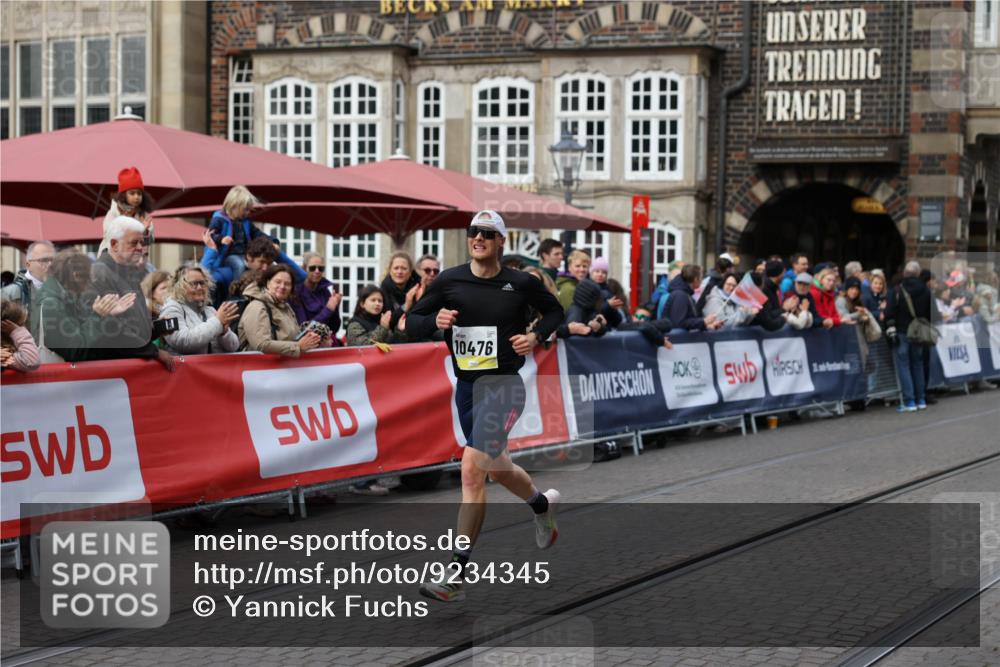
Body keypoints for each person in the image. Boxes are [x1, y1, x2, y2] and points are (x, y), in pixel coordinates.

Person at [406, 210, 564, 603]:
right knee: (498, 468)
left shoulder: (521, 283)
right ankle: (541, 506)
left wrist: (536, 335)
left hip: (506, 386)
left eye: (487, 233)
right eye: (473, 232)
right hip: (468, 388)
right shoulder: (449, 281)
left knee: (471, 471)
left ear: (500, 242)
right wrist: (434, 322)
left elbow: (557, 311)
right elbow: (412, 321)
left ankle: (455, 572)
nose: (478, 237)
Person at [90, 216, 174, 370]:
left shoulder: (128, 272)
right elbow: (111, 330)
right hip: (115, 371)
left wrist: (156, 328)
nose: (141, 248)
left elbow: (133, 325)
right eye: (134, 243)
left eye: (142, 242)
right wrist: (153, 351)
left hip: (131, 368)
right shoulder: (100, 273)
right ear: (114, 244)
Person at [36, 249, 137, 363]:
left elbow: (81, 333)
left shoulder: (65, 297)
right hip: (57, 378)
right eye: (88, 277)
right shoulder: (52, 303)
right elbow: (75, 350)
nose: (90, 282)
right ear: (76, 276)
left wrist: (106, 314)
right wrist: (97, 316)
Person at [239, 264, 323, 358]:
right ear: (268, 283)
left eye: (287, 284)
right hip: (258, 370)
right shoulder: (256, 306)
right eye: (278, 282)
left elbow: (292, 339)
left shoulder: (286, 308)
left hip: (281, 370)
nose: (282, 286)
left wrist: (310, 339)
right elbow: (260, 344)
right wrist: (298, 346)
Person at [159, 265, 240, 356]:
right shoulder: (171, 308)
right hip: (184, 368)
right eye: (194, 283)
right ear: (179, 286)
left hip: (212, 368)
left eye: (202, 283)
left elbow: (234, 346)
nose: (199, 287)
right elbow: (183, 342)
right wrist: (217, 322)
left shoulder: (210, 310)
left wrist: (224, 333)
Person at [885, 261, 932, 411]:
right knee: (918, 365)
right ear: (918, 274)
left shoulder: (897, 289)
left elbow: (889, 312)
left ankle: (909, 401)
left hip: (901, 331)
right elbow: (930, 313)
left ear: (905, 273)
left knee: (903, 366)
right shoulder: (925, 290)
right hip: (919, 332)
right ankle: (921, 399)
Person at [207, 185, 274, 280]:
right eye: (245, 209)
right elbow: (210, 234)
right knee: (239, 266)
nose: (248, 213)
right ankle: (237, 287)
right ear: (234, 205)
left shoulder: (245, 222)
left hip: (245, 254)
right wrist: (221, 239)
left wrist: (272, 240)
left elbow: (257, 233)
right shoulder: (219, 219)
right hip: (228, 255)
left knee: (259, 266)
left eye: (249, 210)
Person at [2, 240, 55, 338]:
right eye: (43, 260)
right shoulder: (10, 293)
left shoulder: (60, 291)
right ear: (28, 265)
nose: (49, 265)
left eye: (52, 260)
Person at [98, 167, 154, 257]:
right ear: (124, 195)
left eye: (139, 193)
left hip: (135, 260)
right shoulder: (113, 212)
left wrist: (145, 231)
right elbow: (108, 235)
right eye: (132, 193)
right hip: (111, 259)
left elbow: (150, 241)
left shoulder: (143, 215)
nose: (136, 197)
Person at [292, 252, 342, 335]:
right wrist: (328, 309)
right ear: (304, 268)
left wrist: (335, 307)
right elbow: (304, 330)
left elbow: (334, 328)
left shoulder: (325, 291)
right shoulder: (295, 293)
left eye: (321, 268)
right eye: (312, 268)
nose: (317, 271)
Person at [665, 264, 719, 331]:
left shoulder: (685, 293)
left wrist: (706, 325)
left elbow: (689, 320)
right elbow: (679, 323)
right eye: (701, 277)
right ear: (696, 279)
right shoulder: (680, 295)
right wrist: (703, 321)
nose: (702, 280)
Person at [380, 251, 420, 335]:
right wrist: (406, 305)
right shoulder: (382, 291)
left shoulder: (419, 289)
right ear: (390, 271)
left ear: (410, 272)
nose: (399, 272)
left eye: (404, 268)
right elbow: (389, 322)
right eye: (396, 268)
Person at [1, 300, 40, 372]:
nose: (24, 329)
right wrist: (17, 332)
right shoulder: (4, 354)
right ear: (6, 327)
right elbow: (31, 361)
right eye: (21, 325)